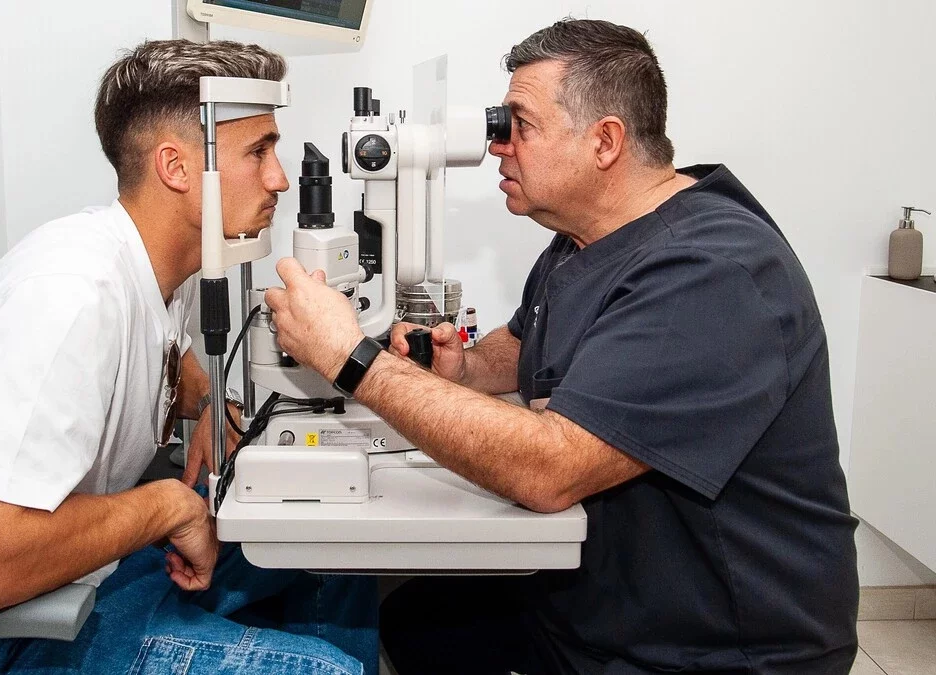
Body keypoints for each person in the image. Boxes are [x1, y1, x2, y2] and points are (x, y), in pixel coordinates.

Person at [264, 19, 858, 675]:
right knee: (412, 621)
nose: (498, 145)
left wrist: (352, 359)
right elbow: (525, 344)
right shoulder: (588, 237)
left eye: (520, 125)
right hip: (595, 601)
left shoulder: (712, 271)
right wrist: (463, 368)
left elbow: (550, 471)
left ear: (604, 141)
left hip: (710, 647)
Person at [0, 39, 377, 675]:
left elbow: (164, 361)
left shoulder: (157, 270)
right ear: (177, 167)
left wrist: (211, 403)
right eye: (258, 152)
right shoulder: (69, 297)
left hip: (69, 584)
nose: (279, 178)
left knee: (332, 551)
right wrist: (166, 507)